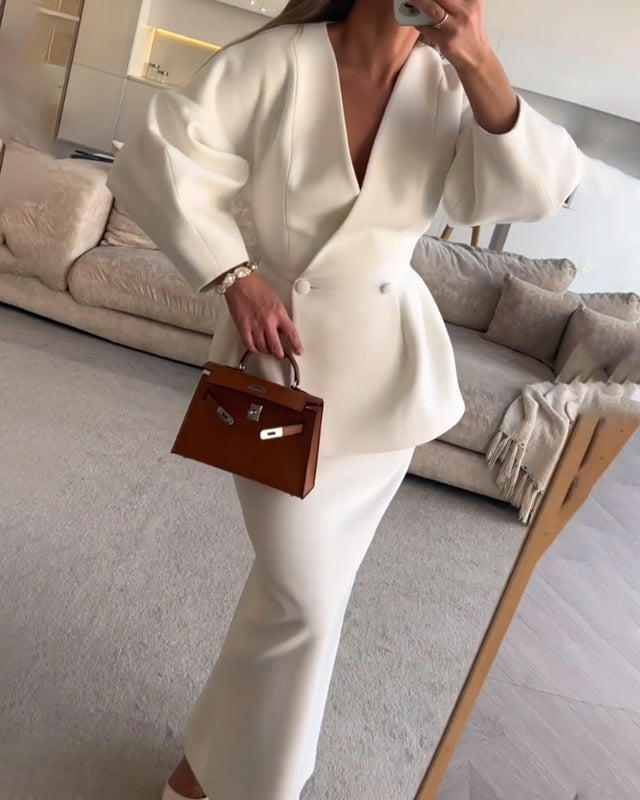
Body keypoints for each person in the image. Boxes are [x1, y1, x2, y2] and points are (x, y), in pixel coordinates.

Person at [107, 0, 581, 798]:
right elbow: (161, 153)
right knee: (302, 596)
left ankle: (205, 772)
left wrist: (476, 55)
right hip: (280, 370)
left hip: (385, 378)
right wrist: (234, 274)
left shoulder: (450, 83)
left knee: (300, 599)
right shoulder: (277, 60)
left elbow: (538, 189)